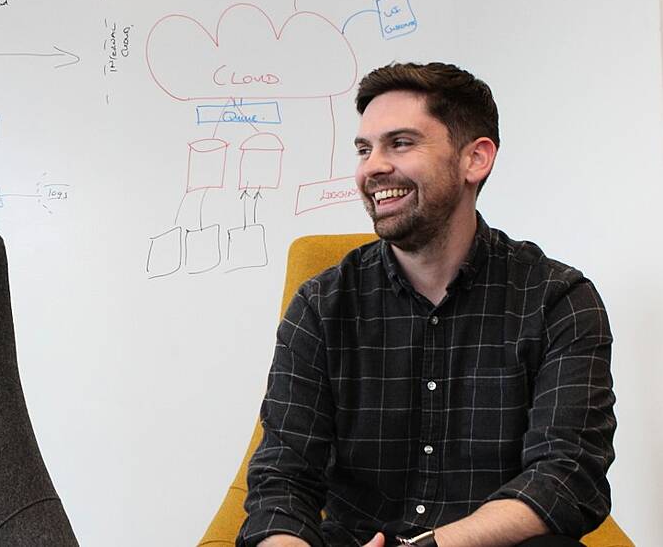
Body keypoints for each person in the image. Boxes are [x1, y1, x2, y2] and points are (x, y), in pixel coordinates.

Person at [237, 62, 616, 547]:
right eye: (363, 149)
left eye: (400, 143)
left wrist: (430, 545)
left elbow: (566, 475)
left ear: (475, 159)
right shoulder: (320, 306)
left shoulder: (557, 299)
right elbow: (283, 481)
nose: (372, 167)